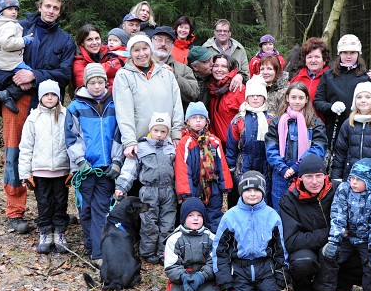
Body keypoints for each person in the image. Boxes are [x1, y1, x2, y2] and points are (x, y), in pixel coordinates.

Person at [0, 0, 75, 234]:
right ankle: (15, 211)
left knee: (54, 154)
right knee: (14, 153)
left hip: (48, 104)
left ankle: (54, 211)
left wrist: (34, 75)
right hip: (17, 100)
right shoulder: (18, 27)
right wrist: (12, 78)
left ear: (60, 11)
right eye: (47, 6)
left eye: (55, 8)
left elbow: (64, 74)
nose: (51, 11)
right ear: (40, 6)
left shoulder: (65, 40)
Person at [280, 154, 371, 291]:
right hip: (309, 248)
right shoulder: (289, 199)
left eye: (318, 175)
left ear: (325, 175)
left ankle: (342, 284)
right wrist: (330, 234)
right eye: (309, 177)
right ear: (300, 178)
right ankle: (304, 289)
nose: (314, 181)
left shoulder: (341, 189)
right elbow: (291, 240)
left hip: (341, 246)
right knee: (303, 262)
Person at [314, 158, 371, 291]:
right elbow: (338, 215)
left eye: (358, 180)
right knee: (327, 253)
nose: (353, 182)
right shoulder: (343, 189)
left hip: (367, 239)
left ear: (368, 182)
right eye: (352, 178)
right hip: (347, 236)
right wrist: (334, 240)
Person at [65, 63, 124, 266]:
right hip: (85, 167)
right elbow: (71, 137)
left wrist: (117, 161)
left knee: (101, 208)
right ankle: (90, 247)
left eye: (100, 82)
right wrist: (80, 161)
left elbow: (119, 135)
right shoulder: (76, 107)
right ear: (86, 83)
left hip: (105, 168)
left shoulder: (114, 104)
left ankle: (98, 253)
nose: (97, 86)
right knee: (86, 209)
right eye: (93, 82)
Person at [212, 171, 289, 291]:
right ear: (241, 191)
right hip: (240, 271)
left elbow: (280, 249)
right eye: (248, 190)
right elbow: (219, 249)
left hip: (265, 270)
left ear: (262, 191)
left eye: (256, 190)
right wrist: (224, 278)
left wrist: (281, 275)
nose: (252, 194)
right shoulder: (231, 216)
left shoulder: (272, 215)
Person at [115, 112, 178, 264]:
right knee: (148, 222)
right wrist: (121, 186)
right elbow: (130, 169)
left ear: (168, 132)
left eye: (163, 131)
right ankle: (148, 252)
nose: (159, 135)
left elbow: (179, 169)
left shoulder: (172, 148)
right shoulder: (141, 147)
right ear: (150, 130)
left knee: (167, 223)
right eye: (156, 130)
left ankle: (164, 252)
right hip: (149, 191)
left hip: (168, 190)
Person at [18, 80, 70, 255]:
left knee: (60, 203)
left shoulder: (66, 115)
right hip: (40, 170)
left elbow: (74, 143)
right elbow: (25, 147)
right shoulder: (33, 118)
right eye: (46, 95)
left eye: (53, 94)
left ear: (59, 96)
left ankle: (59, 233)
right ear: (40, 97)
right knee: (44, 203)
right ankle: (45, 233)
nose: (50, 98)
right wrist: (25, 174)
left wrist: (74, 170)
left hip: (62, 169)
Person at [113, 33, 184, 158]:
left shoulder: (166, 74)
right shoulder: (124, 76)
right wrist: (130, 141)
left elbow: (177, 105)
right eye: (136, 50)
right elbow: (124, 111)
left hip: (166, 140)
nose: (141, 54)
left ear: (151, 50)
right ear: (130, 53)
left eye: (145, 49)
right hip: (140, 142)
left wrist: (176, 133)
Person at [265, 81, 327, 213]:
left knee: (303, 212)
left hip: (304, 174)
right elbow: (270, 147)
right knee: (280, 210)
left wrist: (296, 167)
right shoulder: (277, 121)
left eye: (301, 98)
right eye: (293, 97)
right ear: (287, 98)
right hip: (281, 175)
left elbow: (318, 148)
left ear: (306, 100)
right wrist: (283, 168)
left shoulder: (314, 122)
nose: (297, 101)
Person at [158, 197, 226, 291]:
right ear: (184, 218)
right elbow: (170, 265)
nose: (195, 218)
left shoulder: (211, 237)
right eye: (190, 215)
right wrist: (184, 277)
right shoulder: (174, 239)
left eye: (199, 215)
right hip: (182, 281)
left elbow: (214, 261)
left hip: (203, 280)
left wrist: (202, 276)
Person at [313, 34, 371, 144]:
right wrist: (331, 107)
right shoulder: (328, 75)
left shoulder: (367, 77)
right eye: (345, 52)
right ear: (339, 53)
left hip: (361, 132)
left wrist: (370, 121)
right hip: (335, 131)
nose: (348, 56)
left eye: (352, 52)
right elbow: (318, 101)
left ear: (358, 54)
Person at [175, 102, 233, 232]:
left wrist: (226, 186)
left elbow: (222, 165)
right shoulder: (185, 143)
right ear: (187, 122)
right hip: (194, 188)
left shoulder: (214, 141)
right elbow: (182, 169)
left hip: (213, 187)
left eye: (201, 118)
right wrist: (185, 193)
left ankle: (215, 245)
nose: (198, 121)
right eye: (194, 118)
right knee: (194, 217)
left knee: (215, 216)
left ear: (206, 121)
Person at [0, 0, 35, 114]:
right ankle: (8, 94)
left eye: (16, 9)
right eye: (10, 9)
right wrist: (24, 40)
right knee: (32, 74)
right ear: (1, 11)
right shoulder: (9, 25)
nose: (14, 12)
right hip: (10, 60)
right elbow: (8, 43)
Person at [226, 76, 274, 206]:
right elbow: (231, 145)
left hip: (266, 161)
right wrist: (231, 165)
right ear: (247, 97)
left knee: (265, 191)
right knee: (245, 191)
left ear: (264, 97)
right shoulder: (238, 120)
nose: (255, 98)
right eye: (252, 95)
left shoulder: (271, 119)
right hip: (244, 161)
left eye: (259, 95)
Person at [151, 25, 200, 110]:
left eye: (168, 41)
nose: (163, 44)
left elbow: (194, 94)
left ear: (173, 46)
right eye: (159, 40)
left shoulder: (184, 69)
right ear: (152, 42)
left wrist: (174, 76)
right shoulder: (141, 65)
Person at [207, 54, 246, 147]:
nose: (219, 69)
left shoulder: (238, 89)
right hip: (214, 144)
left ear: (230, 69)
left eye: (224, 66)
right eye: (216, 66)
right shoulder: (212, 87)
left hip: (233, 147)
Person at [72, 24, 124, 92]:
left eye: (97, 38)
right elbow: (87, 89)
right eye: (89, 39)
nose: (95, 43)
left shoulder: (108, 51)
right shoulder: (79, 63)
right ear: (82, 43)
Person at [290, 37, 330, 119]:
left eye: (317, 57)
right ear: (305, 60)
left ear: (324, 60)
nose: (313, 60)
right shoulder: (296, 79)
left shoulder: (331, 78)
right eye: (309, 57)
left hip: (322, 127)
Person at [201, 18, 248, 88]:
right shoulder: (206, 48)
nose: (222, 33)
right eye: (219, 31)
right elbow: (201, 71)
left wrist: (240, 76)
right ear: (215, 32)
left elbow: (246, 72)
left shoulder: (239, 49)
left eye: (225, 31)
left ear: (230, 33)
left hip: (234, 88)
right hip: (210, 89)